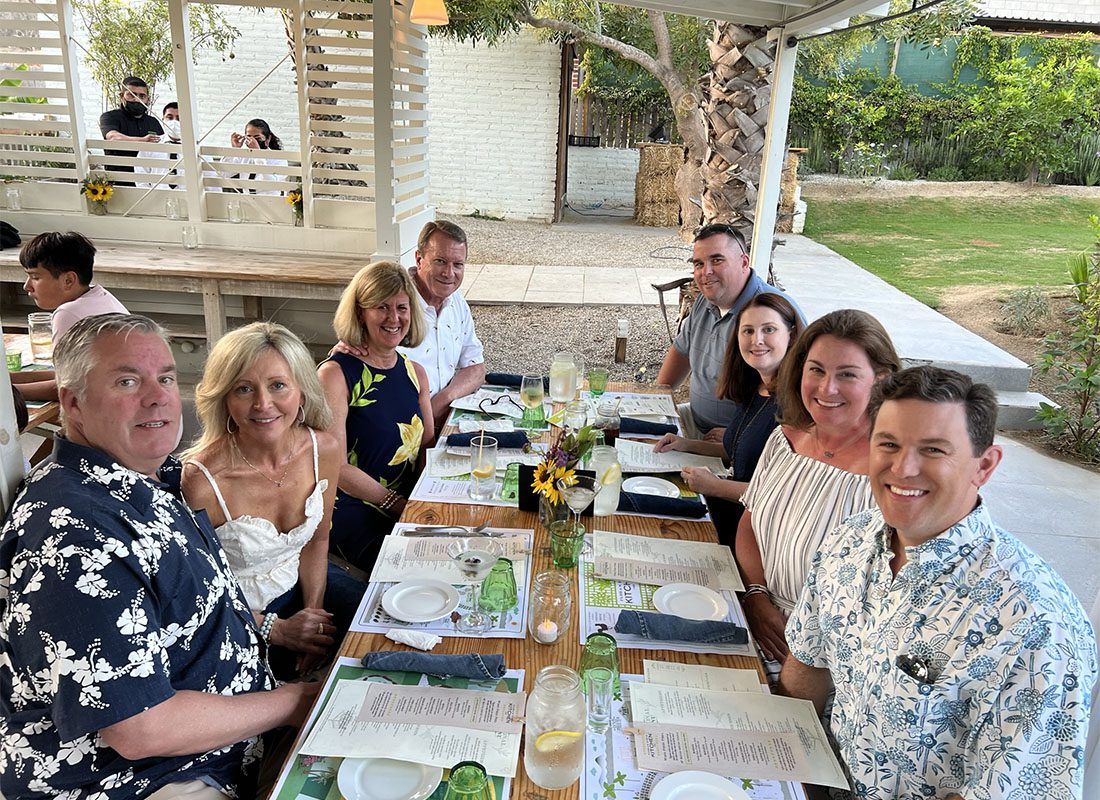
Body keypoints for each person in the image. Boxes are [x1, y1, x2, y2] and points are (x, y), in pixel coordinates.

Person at [0, 314, 317, 799]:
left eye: (165, 378)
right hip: (146, 778)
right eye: (127, 381)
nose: (158, 396)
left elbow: (188, 607)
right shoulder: (74, 536)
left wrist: (271, 637)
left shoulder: (151, 476)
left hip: (228, 734)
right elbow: (141, 729)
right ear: (73, 402)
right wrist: (295, 702)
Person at [782, 366, 1097, 800]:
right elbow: (807, 665)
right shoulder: (849, 539)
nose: (903, 468)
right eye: (888, 444)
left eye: (933, 450)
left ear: (983, 466)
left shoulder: (1037, 623)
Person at [182, 322, 365, 679]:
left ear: (302, 390)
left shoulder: (322, 449)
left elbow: (318, 538)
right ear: (224, 398)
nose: (262, 404)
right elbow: (194, 593)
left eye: (278, 385)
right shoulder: (203, 481)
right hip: (235, 614)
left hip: (303, 581)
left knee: (375, 632)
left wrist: (313, 619)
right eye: (244, 389)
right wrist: (276, 630)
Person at [736, 309, 900, 671]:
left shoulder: (892, 474)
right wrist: (757, 595)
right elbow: (750, 520)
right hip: (752, 619)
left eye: (847, 375)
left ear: (881, 379)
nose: (827, 388)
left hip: (826, 660)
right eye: (817, 370)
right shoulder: (784, 440)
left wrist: (805, 650)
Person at [653, 293, 803, 543]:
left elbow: (783, 494)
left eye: (769, 329)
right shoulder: (756, 386)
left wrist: (715, 486)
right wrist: (686, 444)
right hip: (725, 510)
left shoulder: (796, 403)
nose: (757, 340)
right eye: (747, 331)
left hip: (754, 533)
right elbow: (741, 451)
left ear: (792, 334)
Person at [319, 261, 434, 572]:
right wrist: (397, 504)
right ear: (360, 313)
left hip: (407, 501)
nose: (394, 318)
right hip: (354, 508)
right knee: (412, 572)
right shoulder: (336, 374)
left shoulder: (415, 373)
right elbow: (336, 467)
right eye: (381, 307)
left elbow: (427, 446)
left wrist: (423, 501)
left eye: (401, 307)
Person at [656, 223, 804, 439]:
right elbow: (682, 351)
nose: (706, 272)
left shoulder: (770, 314)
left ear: (744, 262)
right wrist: (657, 397)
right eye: (699, 263)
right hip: (693, 419)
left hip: (731, 438)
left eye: (717, 260)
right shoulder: (704, 301)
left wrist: (739, 435)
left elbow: (795, 393)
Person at [10, 231, 128, 400]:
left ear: (68, 280)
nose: (27, 286)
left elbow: (67, 388)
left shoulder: (68, 314)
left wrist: (7, 393)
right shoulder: (101, 296)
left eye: (35, 277)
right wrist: (8, 380)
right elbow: (69, 375)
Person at [398, 220, 485, 429]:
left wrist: (443, 400)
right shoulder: (396, 305)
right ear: (419, 259)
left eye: (458, 264)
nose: (449, 273)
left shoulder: (457, 302)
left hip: (442, 420)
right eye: (440, 261)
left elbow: (476, 368)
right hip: (401, 429)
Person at [98, 76, 164, 179]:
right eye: (131, 95)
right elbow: (113, 137)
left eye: (142, 96)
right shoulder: (110, 117)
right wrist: (143, 140)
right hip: (119, 181)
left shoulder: (154, 122)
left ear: (148, 99)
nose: (137, 99)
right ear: (121, 96)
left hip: (148, 182)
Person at [220, 119, 286, 196]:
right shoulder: (244, 155)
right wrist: (234, 150)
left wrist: (257, 155)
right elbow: (223, 174)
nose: (252, 141)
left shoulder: (278, 159)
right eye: (249, 137)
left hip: (270, 201)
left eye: (257, 138)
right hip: (247, 200)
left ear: (268, 139)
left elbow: (272, 184)